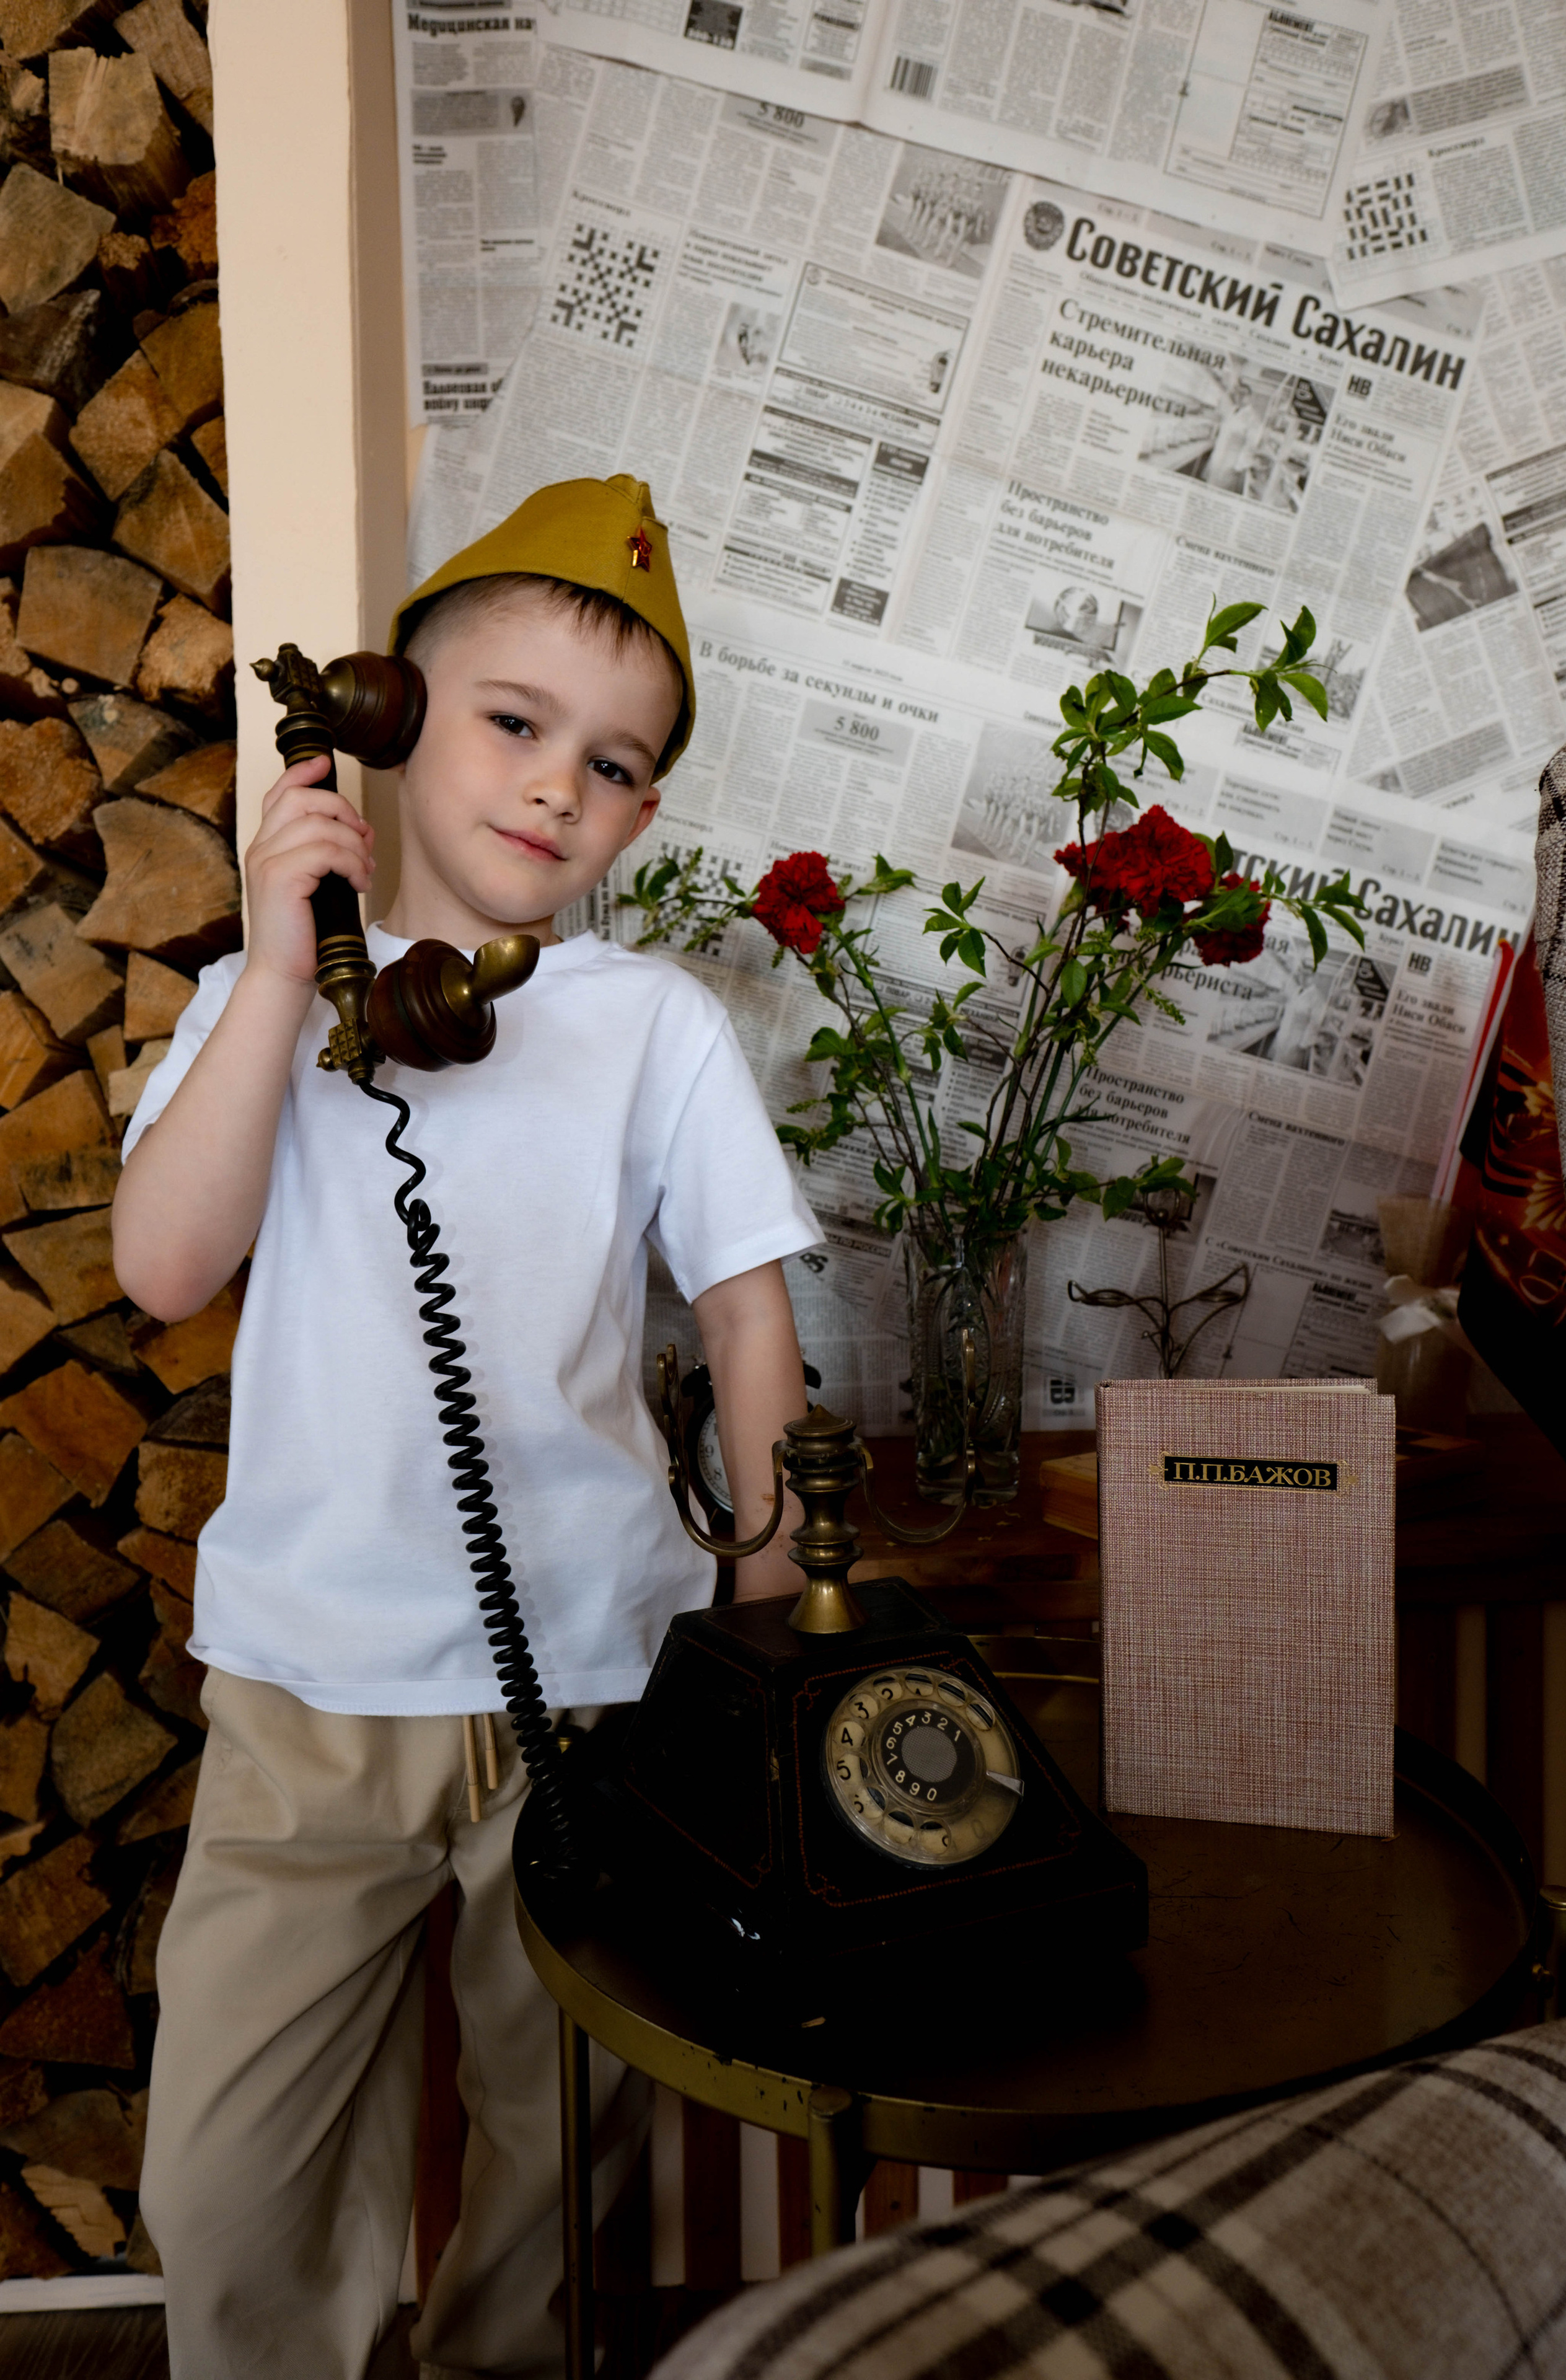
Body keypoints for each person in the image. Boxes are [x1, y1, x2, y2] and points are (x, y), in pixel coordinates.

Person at [112, 474, 820, 2380]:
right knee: (233, 2176)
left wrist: (764, 1591)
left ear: (645, 813)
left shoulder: (650, 1023)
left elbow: (748, 1306)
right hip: (314, 1677)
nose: (555, 788)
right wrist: (279, 967)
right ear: (390, 721)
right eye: (512, 724)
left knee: (563, 2146)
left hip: (591, 1678)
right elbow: (167, 1266)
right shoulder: (258, 1009)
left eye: (613, 765)